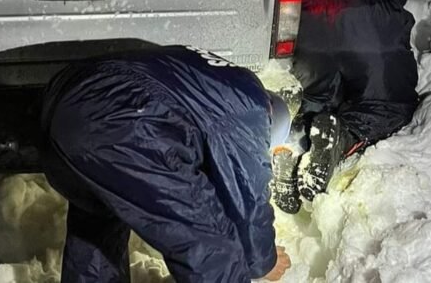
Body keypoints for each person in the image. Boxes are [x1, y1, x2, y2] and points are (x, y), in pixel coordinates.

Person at [40, 44, 293, 283]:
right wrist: (264, 261)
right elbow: (247, 192)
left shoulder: (218, 80)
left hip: (65, 106)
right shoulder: (251, 106)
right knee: (212, 246)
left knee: (98, 225)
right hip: (127, 120)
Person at [272, 0, 420, 214]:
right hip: (370, 28)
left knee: (317, 98)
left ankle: (293, 144)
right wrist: (380, 8)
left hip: (310, 36)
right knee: (388, 106)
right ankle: (344, 135)